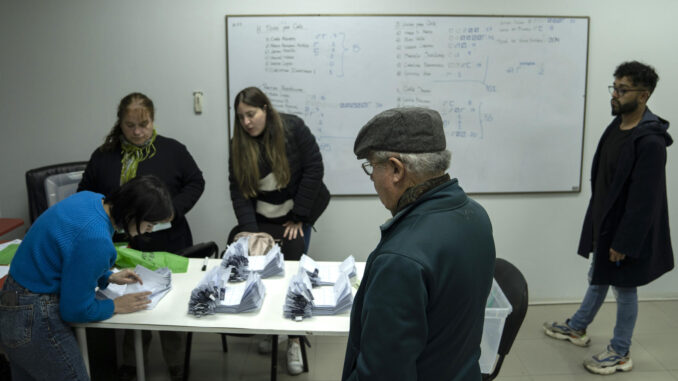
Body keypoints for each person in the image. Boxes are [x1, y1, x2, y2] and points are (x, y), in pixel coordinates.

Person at [342, 107, 496, 381]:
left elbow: (381, 374)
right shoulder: (475, 215)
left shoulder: (400, 258)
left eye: (372, 167)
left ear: (396, 170)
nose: (372, 179)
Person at [543, 61, 673, 375]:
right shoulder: (618, 126)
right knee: (598, 276)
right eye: (614, 87)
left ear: (643, 95)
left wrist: (624, 242)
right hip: (606, 223)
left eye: (622, 89)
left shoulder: (651, 142)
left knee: (625, 288)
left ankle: (620, 351)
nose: (614, 94)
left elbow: (644, 201)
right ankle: (578, 326)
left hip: (627, 231)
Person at [78, 92, 205, 381]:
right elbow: (86, 193)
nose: (137, 132)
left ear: (153, 120)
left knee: (170, 303)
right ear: (120, 124)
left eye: (143, 124)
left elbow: (196, 181)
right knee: (132, 299)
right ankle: (131, 364)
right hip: (122, 244)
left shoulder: (172, 150)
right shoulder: (104, 156)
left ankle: (177, 364)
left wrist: (175, 210)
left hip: (169, 241)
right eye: (130, 125)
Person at [0, 175, 174, 381]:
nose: (149, 230)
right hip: (35, 316)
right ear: (132, 213)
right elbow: (75, 311)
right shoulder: (96, 239)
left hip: (12, 302)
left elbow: (69, 252)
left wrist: (106, 276)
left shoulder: (90, 199)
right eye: (150, 224)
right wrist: (116, 305)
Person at [228, 86, 330, 375]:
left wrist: (300, 216)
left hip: (296, 214)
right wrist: (249, 231)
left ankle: (294, 340)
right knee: (262, 272)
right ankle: (272, 331)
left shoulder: (293, 128)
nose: (247, 122)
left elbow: (314, 169)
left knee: (292, 275)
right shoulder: (239, 143)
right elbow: (238, 191)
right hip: (263, 218)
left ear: (266, 109)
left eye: (251, 114)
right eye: (241, 117)